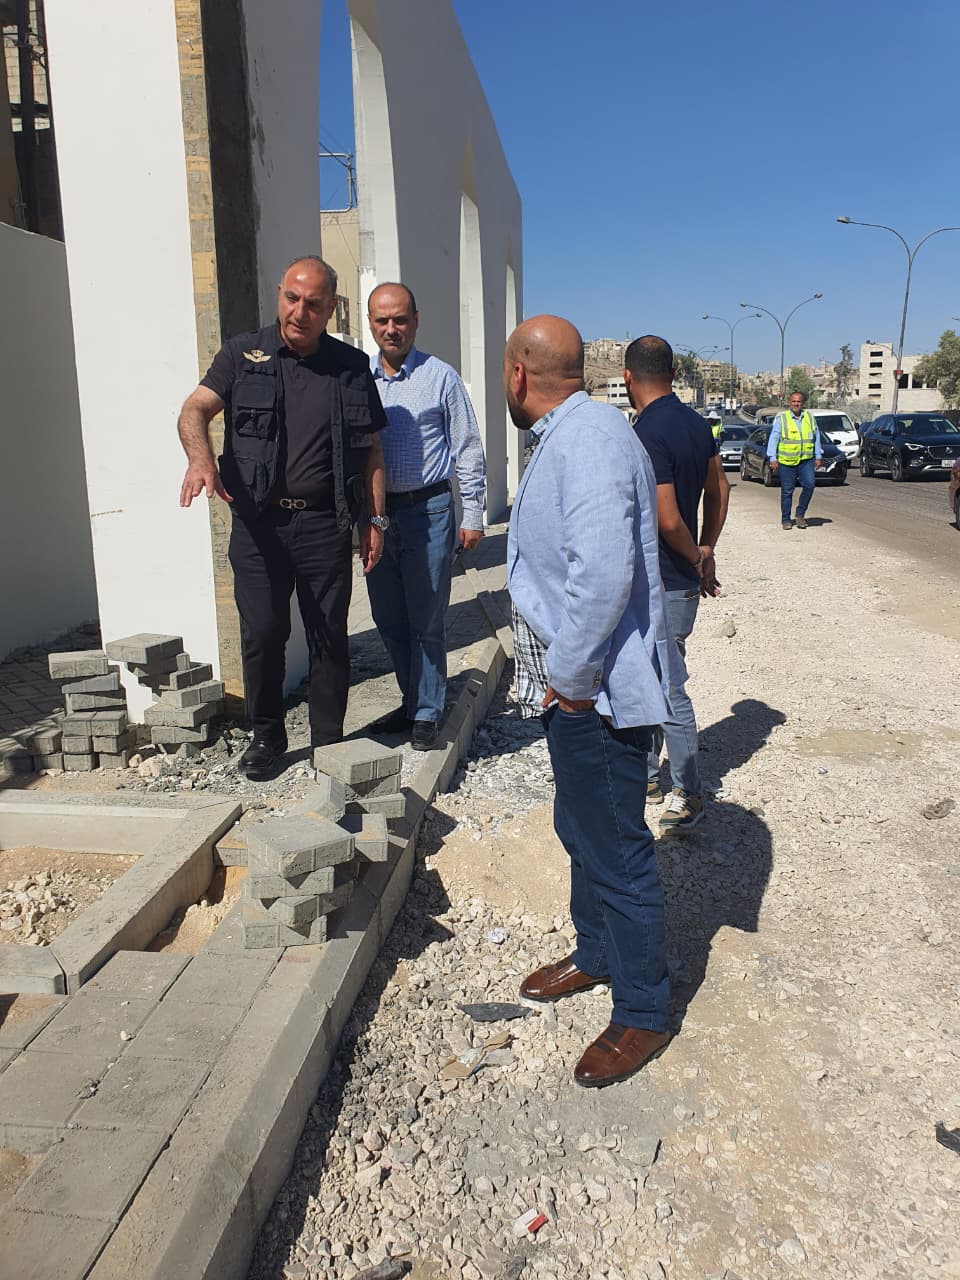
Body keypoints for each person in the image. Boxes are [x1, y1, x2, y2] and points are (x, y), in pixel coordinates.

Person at [505, 314, 681, 1088]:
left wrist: (572, 683)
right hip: (575, 689)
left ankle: (644, 1009)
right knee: (580, 827)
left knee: (615, 847)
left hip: (596, 694)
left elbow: (604, 576)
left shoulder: (589, 442)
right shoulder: (576, 434)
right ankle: (598, 953)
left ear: (518, 374)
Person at [177, 255, 387, 780]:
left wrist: (375, 520)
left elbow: (371, 451)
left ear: (329, 308)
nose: (299, 311)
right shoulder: (242, 355)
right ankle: (267, 735)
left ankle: (328, 743)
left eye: (313, 304)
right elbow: (194, 409)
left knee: (328, 635)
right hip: (258, 525)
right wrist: (200, 460)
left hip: (324, 523)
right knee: (264, 632)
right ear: (279, 294)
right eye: (292, 298)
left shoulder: (350, 366)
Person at [365, 282, 486, 750]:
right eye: (382, 320)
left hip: (429, 511)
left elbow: (467, 447)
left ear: (415, 321)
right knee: (388, 617)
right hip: (378, 516)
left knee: (427, 617)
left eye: (400, 319)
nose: (391, 329)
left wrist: (472, 514)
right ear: (371, 324)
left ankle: (429, 711)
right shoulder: (360, 380)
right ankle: (411, 698)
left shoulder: (440, 377)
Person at [626, 336, 730, 834]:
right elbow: (720, 487)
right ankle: (647, 776)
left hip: (663, 580)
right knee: (651, 675)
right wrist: (706, 548)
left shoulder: (646, 431)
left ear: (628, 377)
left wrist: (695, 557)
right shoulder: (695, 423)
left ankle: (689, 793)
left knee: (667, 685)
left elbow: (667, 519)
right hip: (681, 580)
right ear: (672, 374)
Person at [767, 390, 822, 529]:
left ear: (802, 403)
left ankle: (800, 514)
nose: (796, 404)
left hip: (806, 460)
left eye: (799, 401)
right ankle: (786, 519)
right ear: (789, 403)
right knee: (787, 491)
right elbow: (774, 438)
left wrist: (818, 455)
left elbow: (816, 437)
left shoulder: (809, 417)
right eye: (794, 401)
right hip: (787, 461)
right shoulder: (782, 418)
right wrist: (772, 457)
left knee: (809, 485)